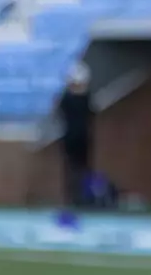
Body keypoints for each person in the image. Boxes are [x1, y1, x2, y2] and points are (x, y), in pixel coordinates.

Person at [57, 63, 94, 208]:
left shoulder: (76, 99)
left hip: (79, 136)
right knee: (73, 168)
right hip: (75, 136)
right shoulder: (74, 99)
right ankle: (74, 197)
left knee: (80, 168)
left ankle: (80, 197)